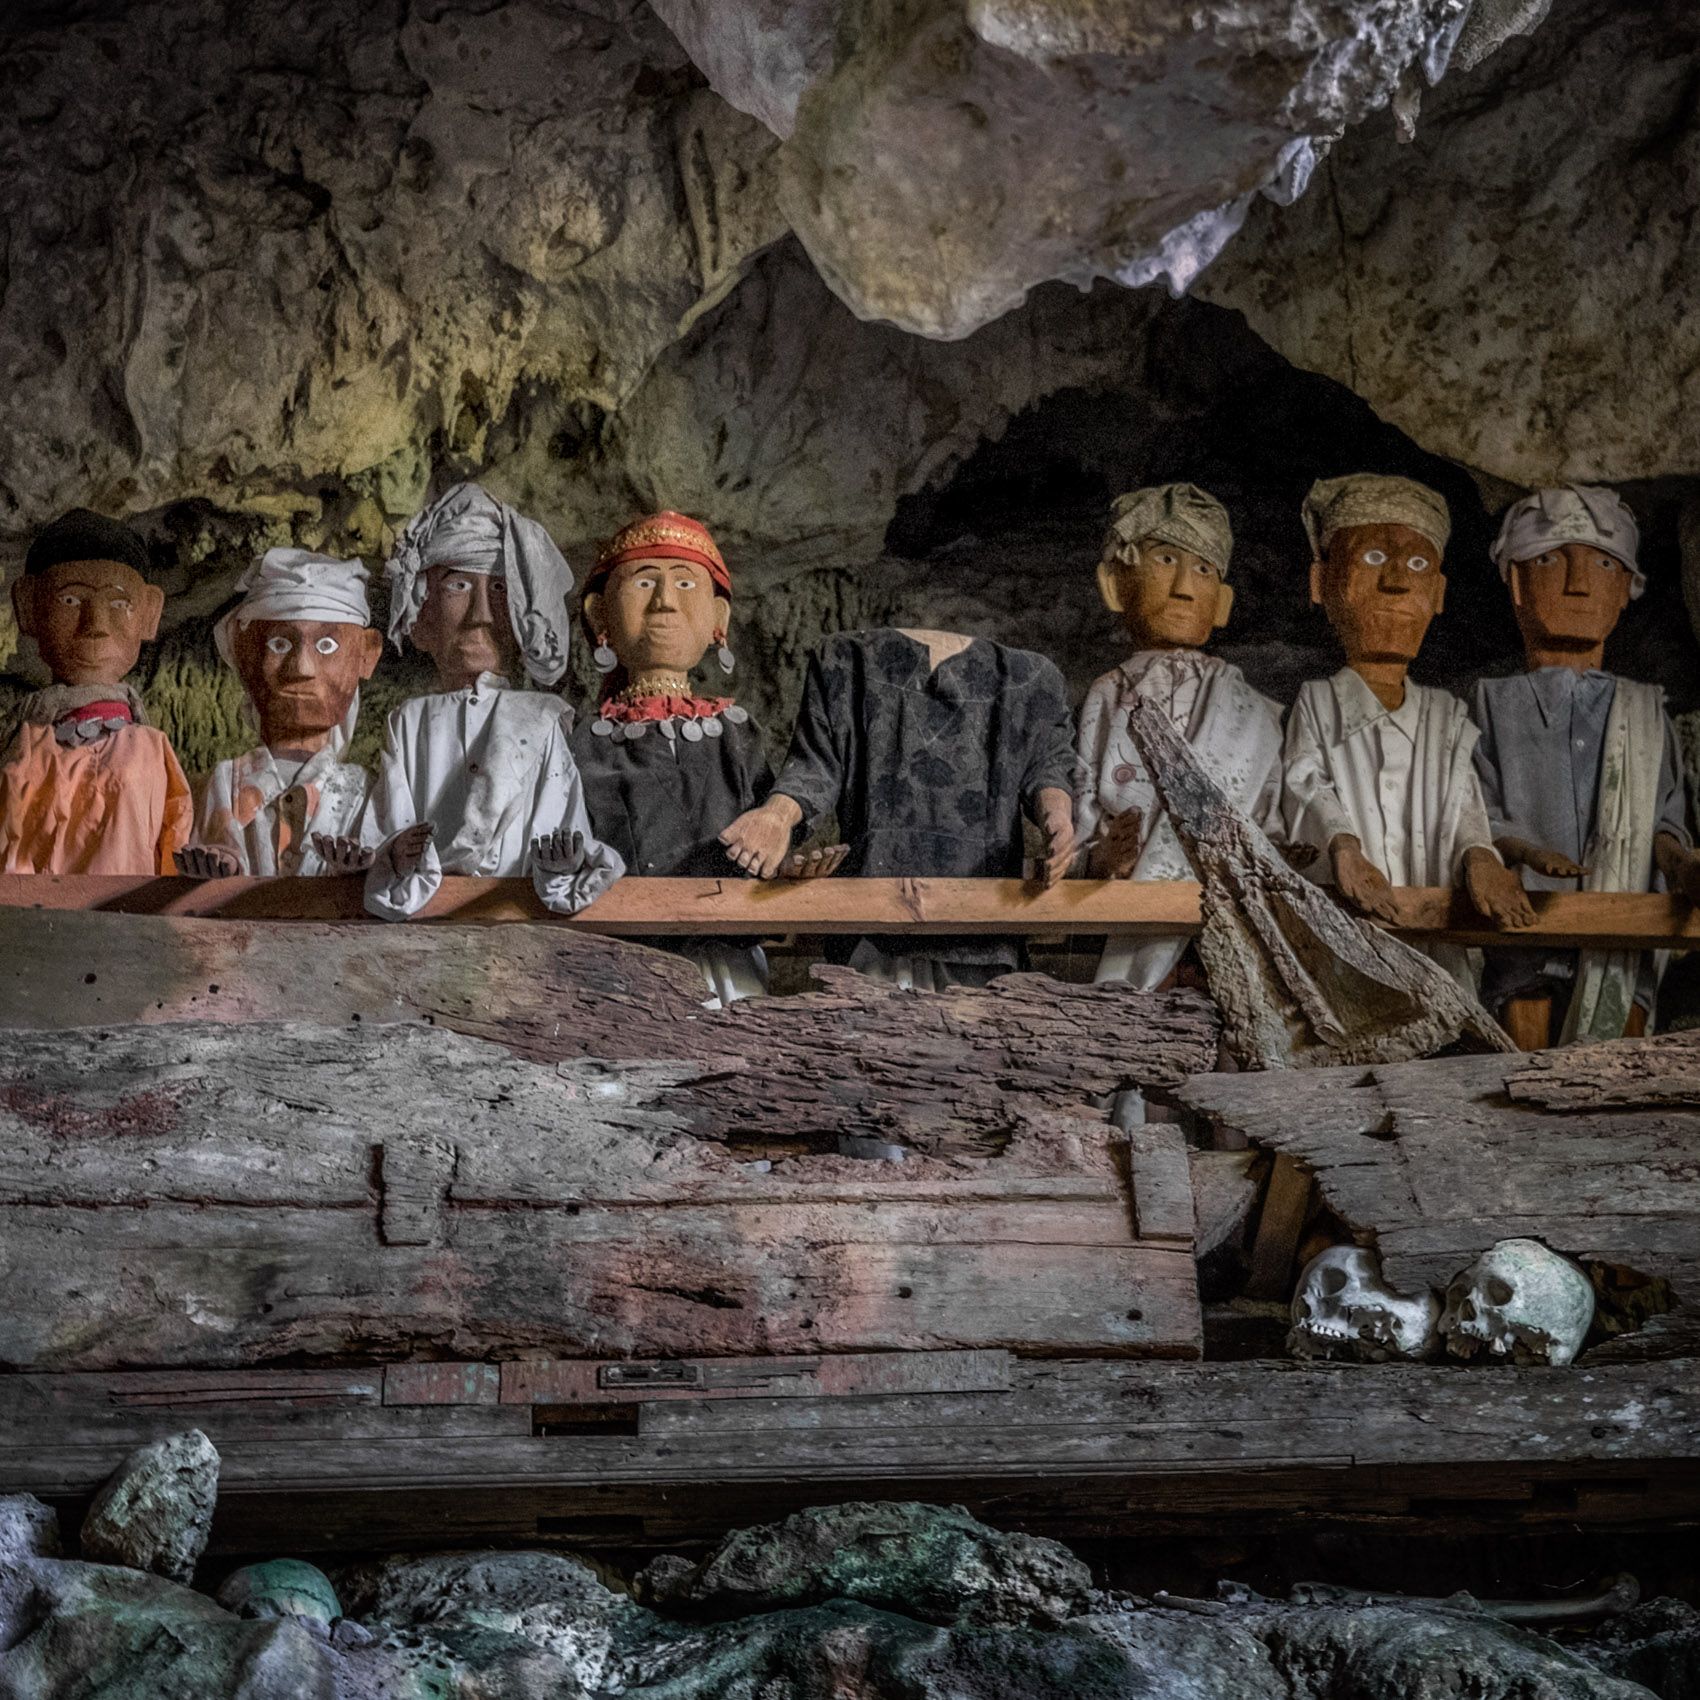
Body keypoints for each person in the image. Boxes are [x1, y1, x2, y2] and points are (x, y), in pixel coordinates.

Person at [719, 626, 1077, 989]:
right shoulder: (846, 663)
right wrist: (776, 816)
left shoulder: (1030, 679)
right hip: (874, 925)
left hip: (980, 926)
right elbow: (816, 765)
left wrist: (1058, 818)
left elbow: (1049, 765)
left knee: (973, 1038)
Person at [1281, 473, 1531, 992]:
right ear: (1320, 583)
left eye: (1417, 565)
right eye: (1373, 559)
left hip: (1438, 950)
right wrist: (1343, 848)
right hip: (1347, 951)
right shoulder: (1318, 701)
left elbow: (1465, 806)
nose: (1396, 582)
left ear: (1437, 592)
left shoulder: (1445, 715)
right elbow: (1305, 783)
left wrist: (1480, 857)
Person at [1474, 485, 1699, 1045]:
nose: (1579, 582)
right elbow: (1473, 806)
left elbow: (1667, 817)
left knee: (1618, 1084)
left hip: (1624, 945)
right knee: (1512, 1083)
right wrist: (1518, 853)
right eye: (1551, 560)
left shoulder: (1647, 711)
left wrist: (1681, 865)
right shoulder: (1489, 703)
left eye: (1603, 564)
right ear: (1516, 583)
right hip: (1520, 937)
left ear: (1625, 590)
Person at [341, 481, 622, 919]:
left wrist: (562, 862)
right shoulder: (410, 721)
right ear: (422, 615)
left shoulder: (543, 719)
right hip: (427, 926)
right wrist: (396, 854)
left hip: (517, 920)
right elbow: (388, 824)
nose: (481, 614)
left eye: (498, 590)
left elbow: (562, 822)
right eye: (457, 587)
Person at [571, 511, 799, 1005]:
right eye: (645, 580)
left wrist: (786, 853)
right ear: (599, 615)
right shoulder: (585, 740)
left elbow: (772, 831)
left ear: (719, 619)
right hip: (623, 960)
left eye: (684, 582)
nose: (664, 601)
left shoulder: (736, 731)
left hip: (731, 956)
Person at [1075, 482, 1283, 991]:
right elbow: (1081, 802)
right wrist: (1101, 857)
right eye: (1166, 559)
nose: (1186, 588)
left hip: (1232, 922)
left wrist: (1276, 850)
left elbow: (1271, 813)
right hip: (1132, 919)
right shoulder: (1106, 695)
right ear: (1113, 585)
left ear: (1223, 603)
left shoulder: (1251, 707)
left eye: (1204, 570)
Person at [0, 509, 191, 875]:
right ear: (28, 606)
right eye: (71, 601)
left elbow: (176, 850)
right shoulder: (23, 741)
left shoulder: (151, 749)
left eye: (119, 604)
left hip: (131, 925)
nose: (96, 625)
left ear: (149, 612)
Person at [178, 547, 381, 878]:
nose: (301, 668)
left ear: (367, 656)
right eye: (279, 644)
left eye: (326, 646)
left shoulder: (369, 792)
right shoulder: (219, 784)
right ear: (245, 654)